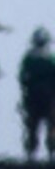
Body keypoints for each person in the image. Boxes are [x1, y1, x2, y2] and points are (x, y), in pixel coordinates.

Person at [18, 26, 55, 161]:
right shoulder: (51, 58)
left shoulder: (28, 58)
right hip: (49, 97)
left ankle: (30, 154)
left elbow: (22, 78)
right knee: (51, 126)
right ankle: (51, 154)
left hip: (32, 97)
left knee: (32, 126)